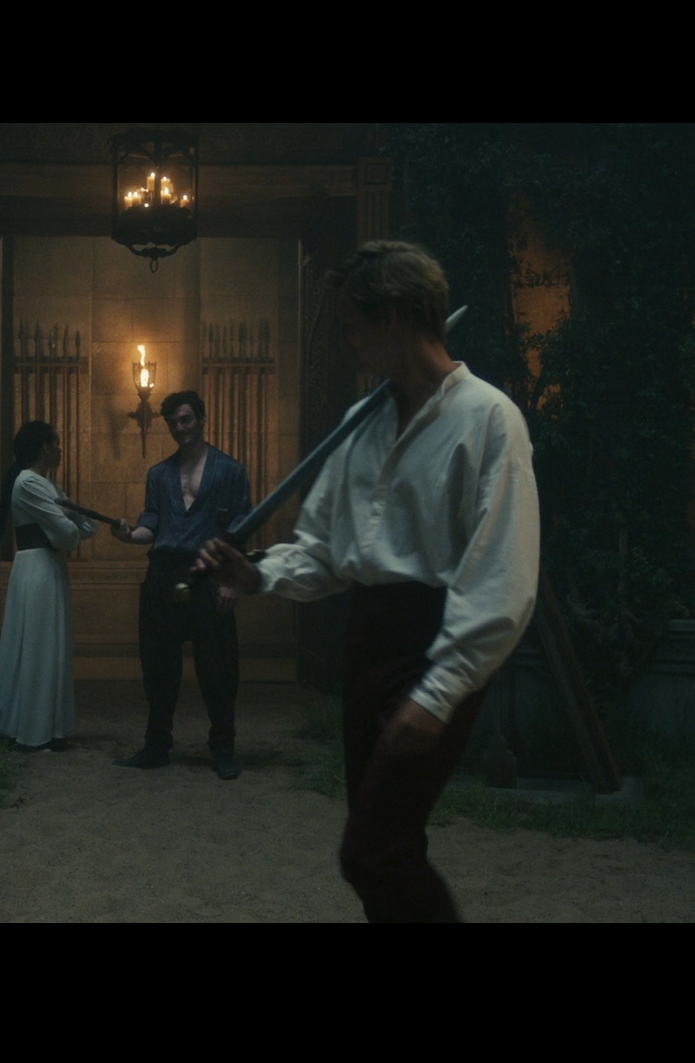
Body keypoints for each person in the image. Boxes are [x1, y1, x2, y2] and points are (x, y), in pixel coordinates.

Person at [195, 241, 540, 922]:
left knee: (374, 853)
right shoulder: (361, 422)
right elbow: (327, 551)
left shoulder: (488, 418)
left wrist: (439, 691)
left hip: (437, 643)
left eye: (350, 323)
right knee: (387, 844)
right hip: (368, 640)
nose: (343, 338)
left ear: (393, 318)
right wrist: (258, 573)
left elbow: (501, 575)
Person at [110, 390, 251, 780]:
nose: (179, 428)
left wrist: (230, 582)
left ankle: (223, 749)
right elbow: (150, 528)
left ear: (202, 420)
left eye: (185, 419)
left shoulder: (229, 470)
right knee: (158, 665)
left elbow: (240, 530)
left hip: (209, 573)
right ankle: (156, 746)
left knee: (218, 666)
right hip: (163, 573)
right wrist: (128, 535)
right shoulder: (159, 474)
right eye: (172, 422)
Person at [0, 421, 98, 752]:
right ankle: (31, 729)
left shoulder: (48, 485)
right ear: (45, 447)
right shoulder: (27, 482)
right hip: (36, 567)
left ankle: (50, 728)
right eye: (57, 443)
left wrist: (66, 517)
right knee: (37, 645)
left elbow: (86, 527)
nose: (61, 450)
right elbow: (67, 534)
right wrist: (66, 520)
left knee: (50, 645)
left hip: (50, 568)